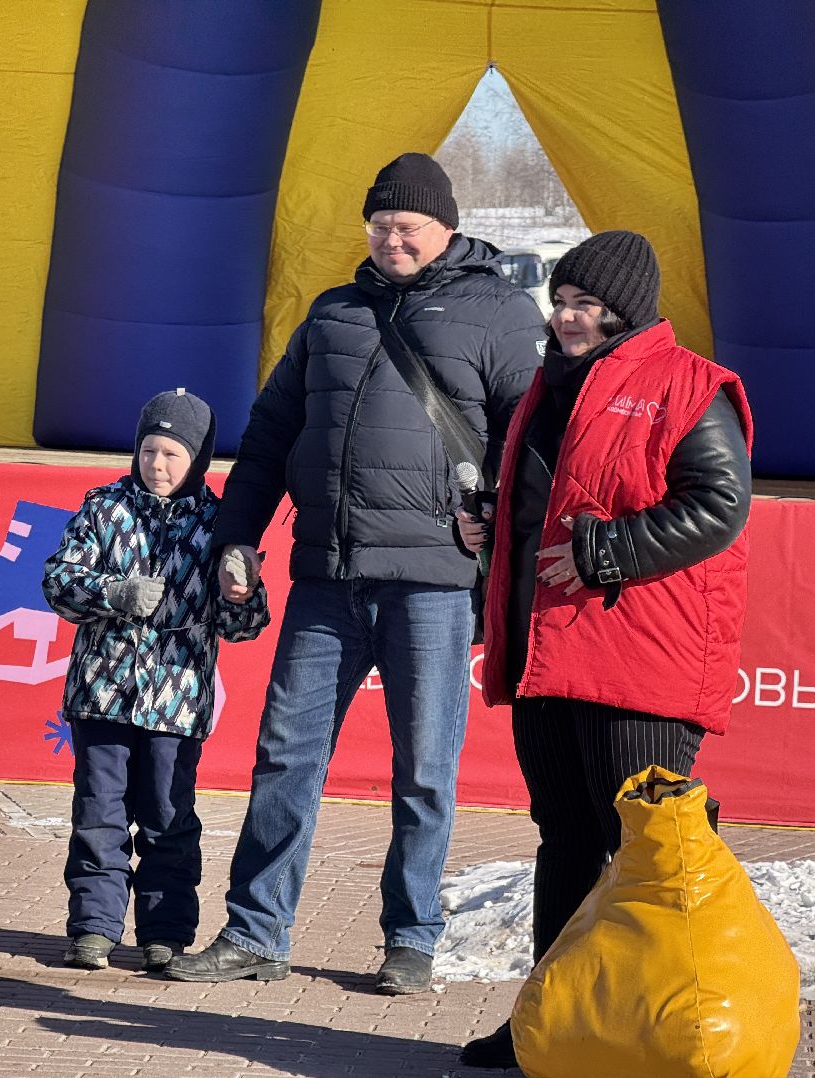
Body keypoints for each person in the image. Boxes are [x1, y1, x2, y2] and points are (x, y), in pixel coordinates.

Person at [166, 153, 545, 992]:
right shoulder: (332, 312)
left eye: (407, 226)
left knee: (424, 771)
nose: (392, 239)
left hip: (434, 583)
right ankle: (256, 933)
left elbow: (533, 447)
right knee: (283, 760)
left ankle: (411, 938)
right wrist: (237, 537)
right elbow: (268, 436)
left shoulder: (504, 314)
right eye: (380, 225)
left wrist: (502, 544)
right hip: (327, 578)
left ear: (446, 227)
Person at [454, 231, 752, 1068]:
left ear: (624, 312)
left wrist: (605, 551)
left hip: (640, 663)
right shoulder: (544, 389)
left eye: (585, 304)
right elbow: (537, 508)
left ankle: (665, 1036)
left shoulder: (687, 383)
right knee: (567, 840)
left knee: (652, 849)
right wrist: (479, 528)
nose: (567, 317)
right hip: (550, 654)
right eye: (563, 301)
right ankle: (547, 1028)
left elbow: (722, 503)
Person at [42, 390, 270, 972]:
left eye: (172, 453)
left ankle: (164, 932)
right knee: (99, 812)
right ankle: (93, 927)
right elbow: (58, 581)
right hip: (101, 694)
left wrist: (241, 592)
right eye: (148, 450)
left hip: (177, 701)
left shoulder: (217, 523)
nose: (158, 465)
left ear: (198, 459)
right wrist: (110, 593)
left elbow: (242, 629)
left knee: (169, 817)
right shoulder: (105, 509)